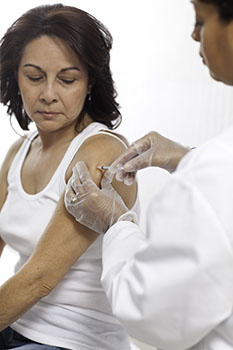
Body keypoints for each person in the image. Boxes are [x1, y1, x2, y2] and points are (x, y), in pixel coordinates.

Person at [64, 0, 233, 349]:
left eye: (201, 20)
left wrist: (116, 223)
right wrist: (187, 159)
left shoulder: (214, 176)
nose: (194, 33)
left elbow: (148, 310)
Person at [0, 4, 138, 350]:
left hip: (76, 340)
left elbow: (40, 278)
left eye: (67, 79)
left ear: (90, 80)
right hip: (17, 326)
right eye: (34, 77)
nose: (48, 94)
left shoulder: (100, 152)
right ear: (15, 77)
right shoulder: (19, 151)